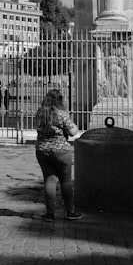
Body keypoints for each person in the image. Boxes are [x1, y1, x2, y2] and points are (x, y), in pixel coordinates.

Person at [34, 88, 83, 222]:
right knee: (66, 181)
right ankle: (70, 212)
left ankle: (50, 213)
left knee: (49, 180)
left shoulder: (40, 113)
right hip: (61, 150)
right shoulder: (61, 114)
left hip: (42, 150)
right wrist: (75, 126)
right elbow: (73, 132)